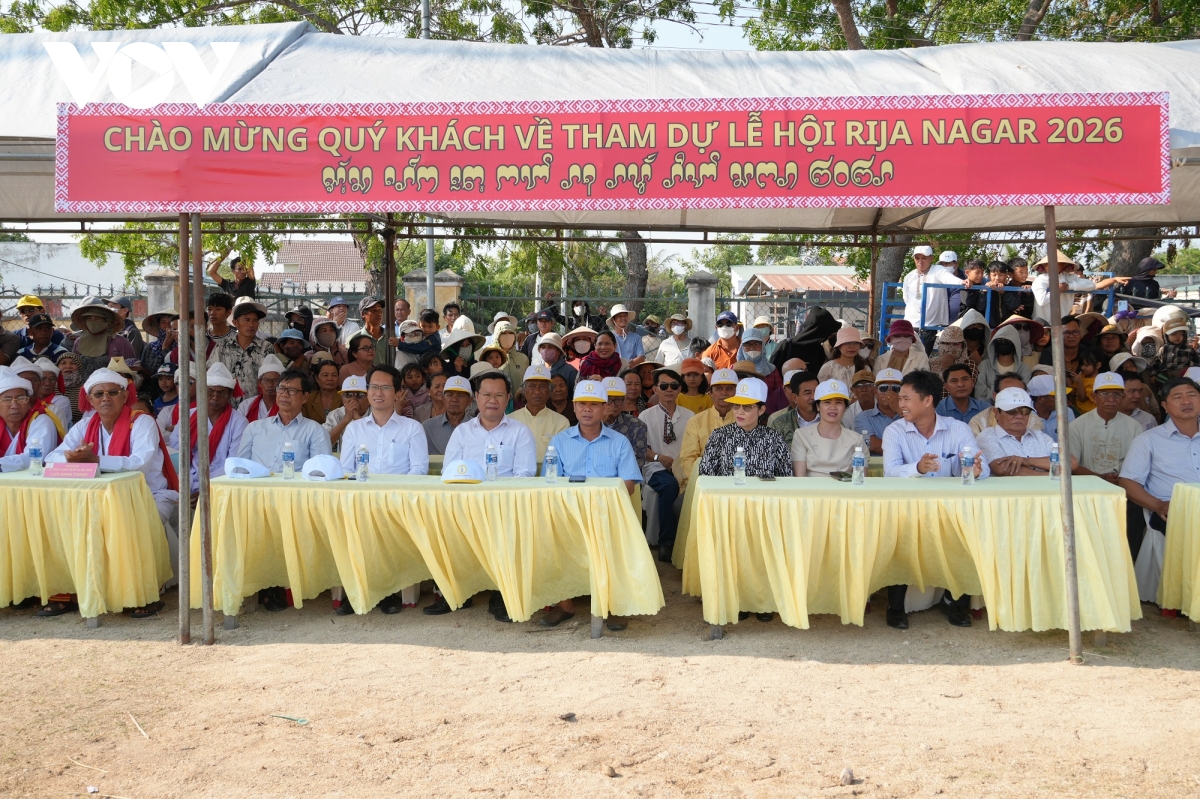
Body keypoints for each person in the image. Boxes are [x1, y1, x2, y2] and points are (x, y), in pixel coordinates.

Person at [46, 367, 179, 618]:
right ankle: (74, 591)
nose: (105, 398)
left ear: (124, 396)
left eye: (112, 392)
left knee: (127, 524)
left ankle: (144, 592)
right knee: (65, 521)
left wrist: (94, 460)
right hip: (96, 499)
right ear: (90, 399)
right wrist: (71, 457)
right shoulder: (85, 425)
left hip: (149, 497)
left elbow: (139, 463)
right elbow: (52, 457)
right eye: (98, 394)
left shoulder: (142, 422)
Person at [881, 369, 987, 630]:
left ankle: (955, 602)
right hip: (908, 508)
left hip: (950, 509)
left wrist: (974, 471)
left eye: (906, 398)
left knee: (965, 537)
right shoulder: (894, 431)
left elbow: (976, 466)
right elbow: (890, 471)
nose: (900, 403)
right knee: (900, 539)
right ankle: (895, 607)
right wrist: (917, 468)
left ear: (927, 400)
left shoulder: (958, 429)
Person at [540, 380, 643, 630]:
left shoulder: (619, 442)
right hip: (569, 511)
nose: (587, 409)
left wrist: (600, 499)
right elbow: (550, 481)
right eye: (582, 404)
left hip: (607, 512)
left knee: (614, 548)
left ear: (604, 408)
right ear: (574, 408)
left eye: (594, 404)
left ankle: (613, 605)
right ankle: (564, 604)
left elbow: (629, 484)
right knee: (554, 538)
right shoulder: (560, 441)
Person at [336, 365, 429, 615]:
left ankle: (389, 592)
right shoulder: (355, 429)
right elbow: (346, 469)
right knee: (353, 530)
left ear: (398, 393)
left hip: (399, 501)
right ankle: (358, 592)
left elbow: (419, 469)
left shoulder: (412, 428)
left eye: (386, 387)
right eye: (373, 387)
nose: (378, 392)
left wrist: (394, 497)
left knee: (390, 531)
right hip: (361, 500)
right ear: (367, 392)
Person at [1119, 377, 1200, 598]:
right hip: (1173, 510)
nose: (1186, 401)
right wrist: (1158, 505)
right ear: (1164, 405)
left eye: (1192, 395)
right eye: (1178, 397)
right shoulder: (1148, 440)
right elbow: (1128, 481)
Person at [170, 361, 247, 499]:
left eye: (221, 392)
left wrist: (206, 488)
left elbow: (234, 464)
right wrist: (187, 485)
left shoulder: (239, 422)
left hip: (221, 484)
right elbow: (178, 453)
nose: (215, 397)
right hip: (186, 481)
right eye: (210, 391)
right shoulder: (187, 416)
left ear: (229, 395)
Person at [640, 367, 693, 561]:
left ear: (680, 389)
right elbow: (641, 449)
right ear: (655, 389)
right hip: (655, 467)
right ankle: (667, 542)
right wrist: (659, 458)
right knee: (669, 485)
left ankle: (690, 540)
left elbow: (694, 447)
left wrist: (680, 463)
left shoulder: (690, 416)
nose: (669, 389)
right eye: (663, 385)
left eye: (674, 385)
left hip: (683, 467)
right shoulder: (645, 416)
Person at [698, 376, 793, 482]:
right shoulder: (719, 436)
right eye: (736, 405)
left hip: (763, 497)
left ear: (761, 410)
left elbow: (786, 477)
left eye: (747, 407)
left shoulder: (774, 438)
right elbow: (705, 476)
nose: (740, 411)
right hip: (728, 497)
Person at [236, 369, 332, 473]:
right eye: (281, 388)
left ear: (305, 397)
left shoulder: (315, 431)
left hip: (294, 488)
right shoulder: (254, 428)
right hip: (257, 488)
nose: (284, 395)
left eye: (292, 390)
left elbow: (320, 472)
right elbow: (240, 467)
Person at [1067, 371, 1143, 486]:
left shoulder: (1134, 426)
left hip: (1123, 485)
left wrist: (1121, 477)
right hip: (1088, 486)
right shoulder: (1077, 426)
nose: (1111, 400)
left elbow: (1137, 463)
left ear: (1122, 397)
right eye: (1105, 394)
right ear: (1094, 397)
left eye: (1116, 394)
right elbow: (1072, 465)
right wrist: (1100, 478)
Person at [976, 387, 1065, 476]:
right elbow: (1002, 468)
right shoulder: (987, 436)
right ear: (996, 413)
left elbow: (1069, 462)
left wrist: (1027, 461)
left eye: (1025, 411)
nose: (1019, 416)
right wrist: (1049, 475)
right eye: (1012, 411)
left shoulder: (1040, 436)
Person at [903, 245, 969, 353]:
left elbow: (949, 278)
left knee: (923, 356)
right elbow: (906, 298)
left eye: (924, 258)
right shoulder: (909, 276)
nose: (920, 261)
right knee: (907, 355)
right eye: (917, 258)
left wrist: (961, 282)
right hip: (911, 323)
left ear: (931, 258)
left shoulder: (938, 270)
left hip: (929, 325)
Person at [791, 379, 861, 477]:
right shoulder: (801, 435)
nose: (833, 407)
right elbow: (800, 478)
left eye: (839, 402)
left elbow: (861, 479)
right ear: (818, 406)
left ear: (845, 408)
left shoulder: (856, 439)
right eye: (827, 402)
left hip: (845, 491)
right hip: (812, 491)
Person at [1031, 250, 1128, 319]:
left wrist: (1069, 286)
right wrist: (1057, 290)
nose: (1050, 266)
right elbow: (1042, 301)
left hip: (1062, 322)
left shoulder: (1069, 278)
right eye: (1047, 264)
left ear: (1064, 265)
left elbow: (1092, 285)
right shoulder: (1041, 280)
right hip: (1043, 322)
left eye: (1055, 263)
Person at [507, 363, 569, 464]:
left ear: (549, 392)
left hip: (548, 475)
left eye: (543, 386)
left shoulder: (561, 422)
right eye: (532, 386)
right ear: (524, 390)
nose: (537, 391)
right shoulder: (510, 420)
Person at [0, 368, 60, 472]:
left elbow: (34, 459)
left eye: (21, 399)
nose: (14, 406)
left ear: (29, 403)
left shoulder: (40, 421)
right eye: (7, 400)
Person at [70, 297, 137, 385]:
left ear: (107, 321)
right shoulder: (79, 342)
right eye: (89, 318)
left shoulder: (120, 342)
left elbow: (131, 372)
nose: (93, 322)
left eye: (97, 318)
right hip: (84, 391)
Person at [215, 296, 272, 398]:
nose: (251, 324)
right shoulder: (222, 347)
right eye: (247, 320)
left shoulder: (266, 348)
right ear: (235, 323)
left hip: (256, 407)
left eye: (255, 321)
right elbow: (212, 374)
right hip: (229, 406)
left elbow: (272, 378)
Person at [770, 306, 840, 376]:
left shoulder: (819, 350)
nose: (831, 338)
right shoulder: (787, 346)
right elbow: (773, 373)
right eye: (830, 334)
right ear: (819, 331)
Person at [974, 324, 1031, 403]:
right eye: (1000, 341)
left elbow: (1024, 394)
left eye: (1007, 341)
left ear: (1015, 344)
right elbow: (979, 394)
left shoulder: (1024, 369)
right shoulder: (984, 365)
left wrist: (993, 391)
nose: (1002, 343)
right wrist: (1010, 391)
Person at [601, 375, 649, 469]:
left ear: (624, 402)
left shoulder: (638, 426)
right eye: (608, 399)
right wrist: (600, 424)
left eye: (618, 400)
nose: (613, 405)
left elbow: (638, 462)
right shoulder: (590, 424)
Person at [738, 327, 786, 414]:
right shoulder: (735, 369)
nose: (752, 348)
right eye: (747, 345)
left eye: (756, 344)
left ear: (763, 346)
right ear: (742, 347)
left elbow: (779, 396)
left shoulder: (772, 370)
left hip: (767, 414)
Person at [422, 374, 473, 456]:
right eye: (449, 395)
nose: (454, 399)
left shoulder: (477, 426)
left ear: (469, 401)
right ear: (443, 399)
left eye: (460, 395)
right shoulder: (428, 427)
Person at [768, 370, 819, 447]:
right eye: (808, 393)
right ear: (795, 398)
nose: (813, 397)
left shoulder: (830, 419)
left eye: (817, 392)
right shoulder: (780, 423)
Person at [324, 374, 368, 452]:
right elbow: (323, 444)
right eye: (348, 395)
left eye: (359, 395)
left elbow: (378, 440)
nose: (353, 399)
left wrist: (358, 419)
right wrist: (345, 420)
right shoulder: (336, 414)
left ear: (369, 398)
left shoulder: (377, 413)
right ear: (342, 398)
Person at [1027, 374, 1075, 444]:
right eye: (1056, 396)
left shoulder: (1066, 412)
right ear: (1041, 399)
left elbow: (1072, 440)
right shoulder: (1024, 416)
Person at [239, 354, 284, 422]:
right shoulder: (246, 405)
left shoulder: (287, 405)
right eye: (266, 380)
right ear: (259, 383)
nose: (270, 384)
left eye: (275, 380)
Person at [104, 296, 146, 364]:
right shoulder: (106, 328)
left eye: (112, 306)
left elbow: (132, 359)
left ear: (124, 310)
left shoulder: (132, 332)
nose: (109, 309)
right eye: (108, 306)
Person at [490, 320, 529, 390]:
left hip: (520, 400)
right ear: (497, 336)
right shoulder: (490, 359)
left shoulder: (523, 358)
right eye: (504, 333)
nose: (507, 336)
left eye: (510, 333)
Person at [303, 359, 342, 423]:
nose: (330, 379)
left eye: (334, 375)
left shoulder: (345, 397)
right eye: (325, 375)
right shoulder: (308, 399)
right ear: (316, 378)